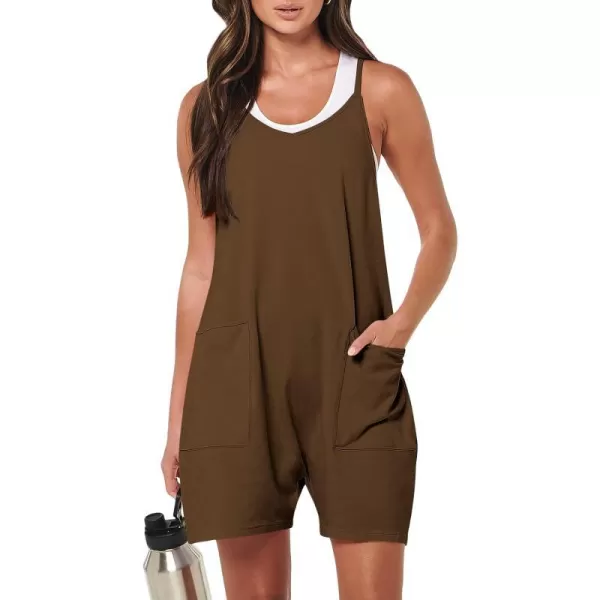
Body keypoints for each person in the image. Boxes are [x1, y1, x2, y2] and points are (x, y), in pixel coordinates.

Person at [161, 1, 456, 597]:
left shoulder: (380, 90)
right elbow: (200, 267)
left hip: (356, 381)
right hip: (237, 388)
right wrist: (178, 421)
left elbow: (438, 230)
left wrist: (400, 327)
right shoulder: (205, 107)